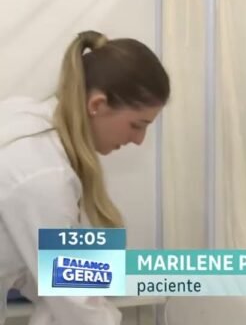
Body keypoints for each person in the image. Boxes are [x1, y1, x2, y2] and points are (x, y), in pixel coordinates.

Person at [0, 31, 170, 325]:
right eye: (136, 125)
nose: (139, 140)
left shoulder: (20, 115)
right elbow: (76, 305)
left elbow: (40, 271)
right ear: (97, 105)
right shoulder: (44, 175)